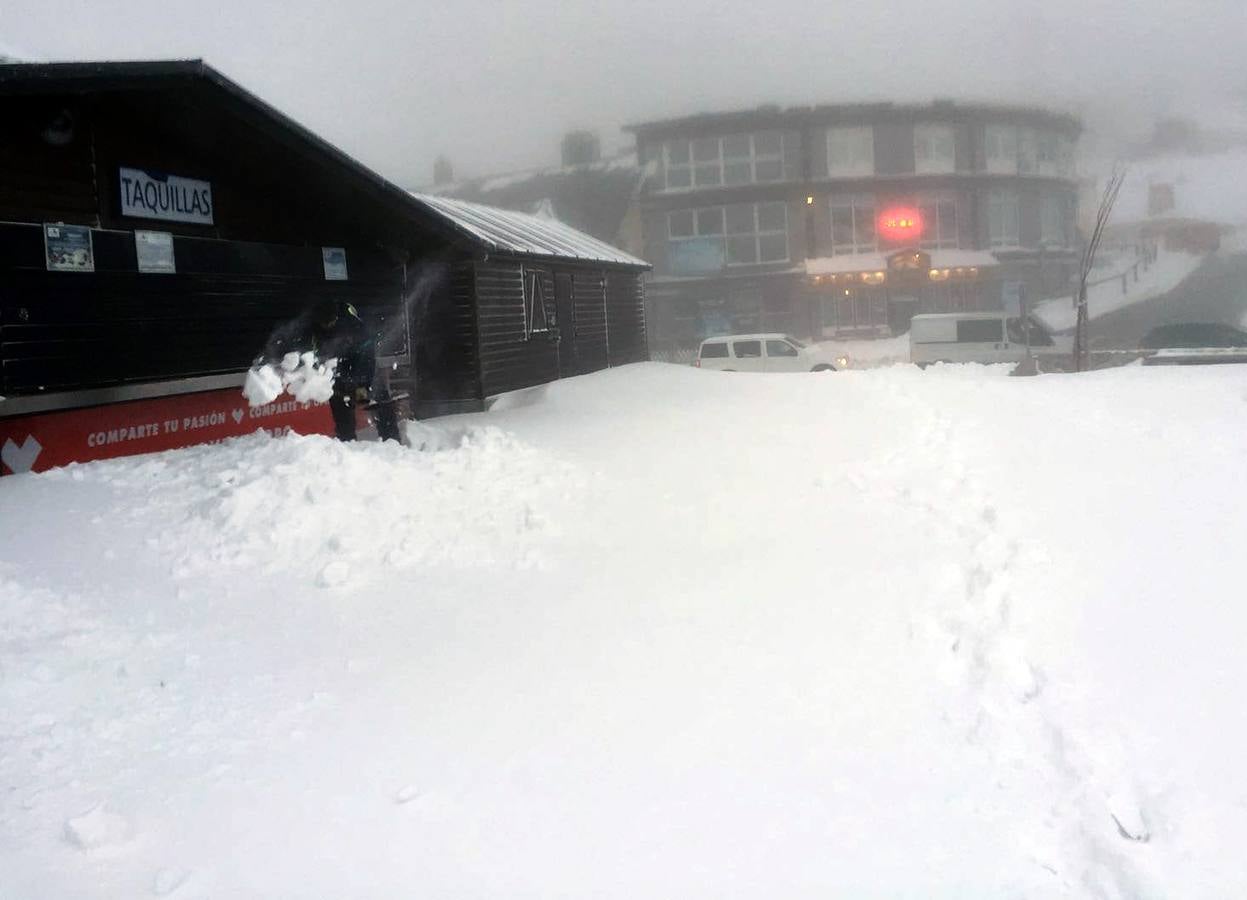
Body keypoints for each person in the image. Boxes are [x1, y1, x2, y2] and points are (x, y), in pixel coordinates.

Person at [310, 298, 401, 443]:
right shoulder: (315, 328)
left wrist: (363, 385)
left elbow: (367, 352)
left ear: (336, 317)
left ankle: (392, 440)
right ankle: (347, 442)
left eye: (330, 323)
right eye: (324, 324)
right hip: (337, 367)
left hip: (363, 363)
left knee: (379, 396)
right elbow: (315, 353)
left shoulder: (352, 324)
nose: (328, 326)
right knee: (339, 401)